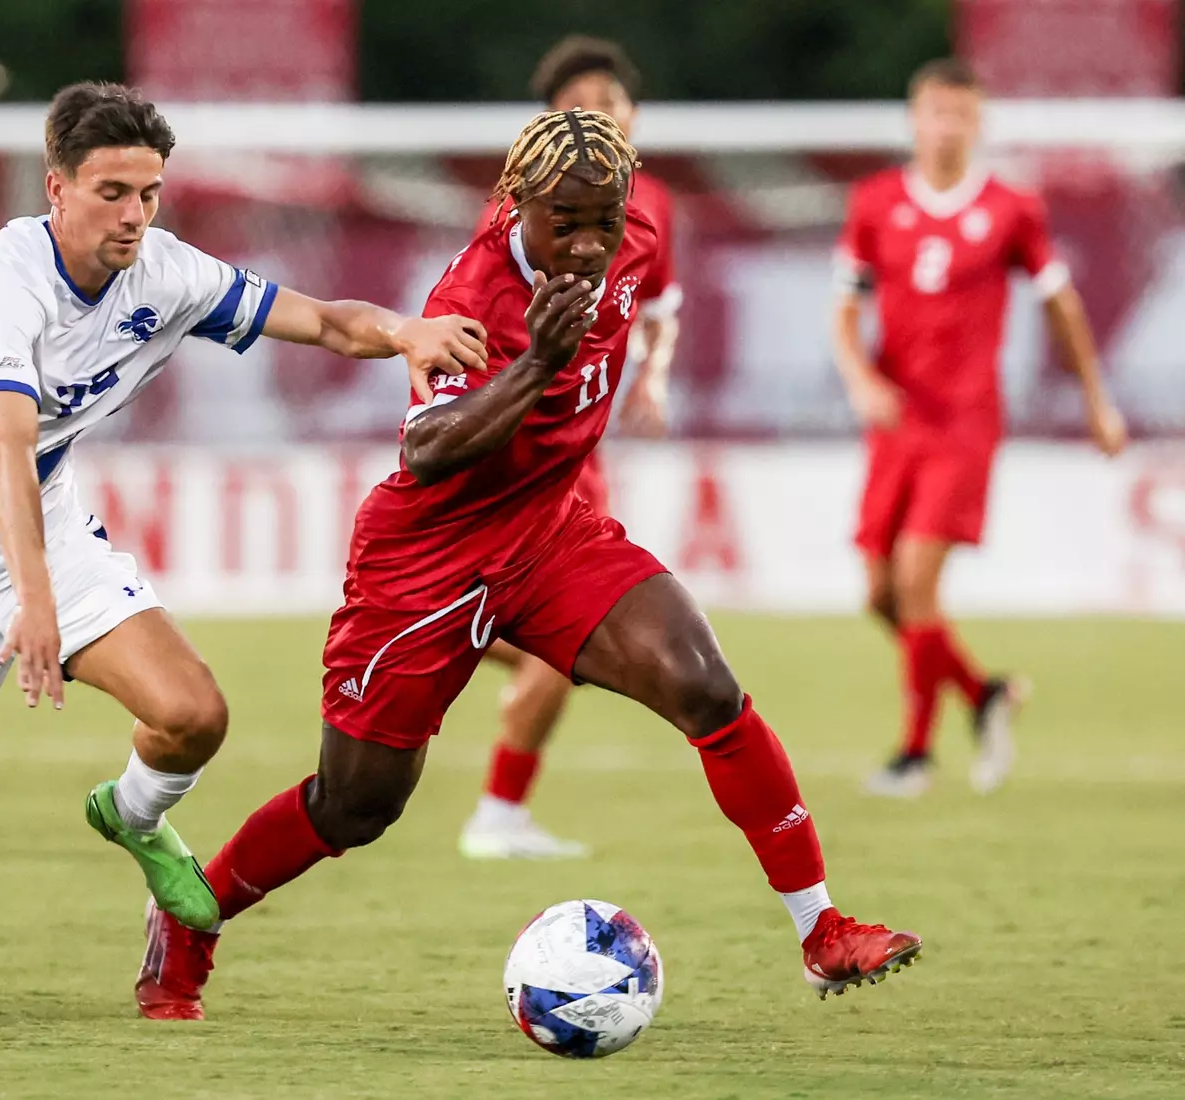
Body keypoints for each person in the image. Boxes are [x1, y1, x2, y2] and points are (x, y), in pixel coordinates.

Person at [135, 108, 922, 1021]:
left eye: (604, 217)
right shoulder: (472, 297)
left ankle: (820, 932)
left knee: (704, 684)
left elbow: (650, 289)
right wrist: (538, 366)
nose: (589, 243)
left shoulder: (635, 237)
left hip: (549, 530)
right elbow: (429, 450)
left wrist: (654, 362)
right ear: (517, 206)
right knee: (357, 806)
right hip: (427, 559)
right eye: (567, 221)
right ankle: (191, 916)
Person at [0, 81, 486, 1012]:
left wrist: (405, 330)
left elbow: (329, 322)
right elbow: (5, 443)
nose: (134, 215)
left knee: (193, 715)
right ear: (55, 190)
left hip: (45, 531)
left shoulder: (165, 275)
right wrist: (34, 601)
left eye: (149, 193)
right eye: (111, 193)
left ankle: (131, 817)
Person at [832, 59, 1127, 799]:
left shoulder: (1011, 209)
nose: (946, 127)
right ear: (914, 117)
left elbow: (1061, 305)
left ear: (978, 123)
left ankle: (915, 754)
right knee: (878, 593)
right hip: (895, 422)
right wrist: (861, 379)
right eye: (936, 112)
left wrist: (1097, 399)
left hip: (964, 422)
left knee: (915, 579)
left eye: (961, 114)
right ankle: (982, 692)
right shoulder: (874, 203)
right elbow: (843, 309)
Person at [461, 34, 683, 861]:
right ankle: (498, 805)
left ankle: (500, 809)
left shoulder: (651, 204)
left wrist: (654, 377)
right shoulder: (518, 211)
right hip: (513, 451)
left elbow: (663, 306)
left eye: (615, 106)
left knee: (565, 638)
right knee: (561, 635)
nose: (605, 118)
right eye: (584, 107)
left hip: (577, 455)